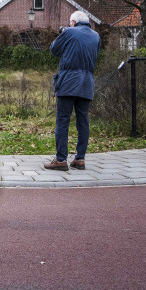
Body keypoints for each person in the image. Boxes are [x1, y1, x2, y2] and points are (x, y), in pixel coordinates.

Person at [44, 10, 101, 171]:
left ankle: (61, 160)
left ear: (73, 22)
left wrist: (63, 32)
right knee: (83, 121)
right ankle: (80, 159)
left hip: (68, 83)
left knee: (63, 120)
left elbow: (54, 50)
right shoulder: (96, 36)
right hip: (87, 83)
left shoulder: (69, 32)